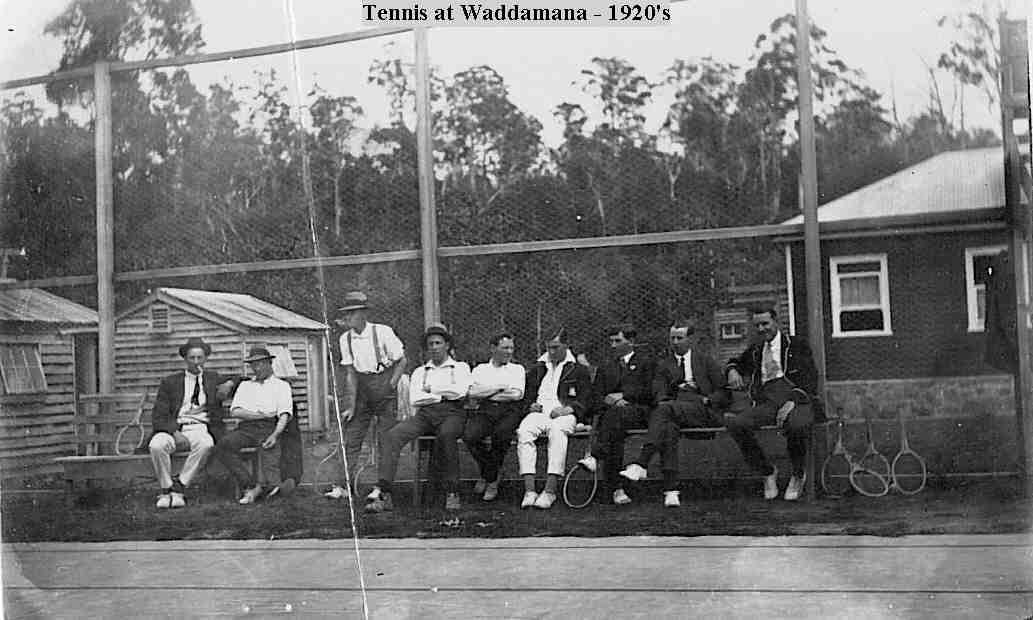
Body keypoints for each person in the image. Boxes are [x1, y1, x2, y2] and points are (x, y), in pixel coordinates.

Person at [618, 319, 728, 507]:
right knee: (667, 428)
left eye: (680, 338)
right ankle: (671, 491)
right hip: (673, 410)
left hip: (701, 412)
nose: (675, 342)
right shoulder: (664, 364)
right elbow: (658, 392)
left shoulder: (705, 360)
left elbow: (723, 392)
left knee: (664, 411)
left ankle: (642, 463)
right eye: (672, 338)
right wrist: (670, 394)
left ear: (691, 339)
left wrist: (707, 399)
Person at [365, 324, 472, 512]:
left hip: (452, 413)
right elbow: (416, 398)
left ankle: (452, 492)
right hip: (425, 414)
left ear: (447, 345)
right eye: (430, 344)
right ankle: (384, 492)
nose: (434, 347)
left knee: (446, 436)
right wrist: (442, 394)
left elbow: (460, 392)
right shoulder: (420, 372)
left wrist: (432, 392)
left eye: (438, 343)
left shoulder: (460, 367)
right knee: (393, 436)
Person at [724, 305, 818, 501]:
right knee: (736, 423)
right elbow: (735, 362)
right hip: (768, 401)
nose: (761, 329)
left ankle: (798, 474)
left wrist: (793, 400)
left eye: (765, 323)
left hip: (797, 399)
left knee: (795, 424)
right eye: (757, 325)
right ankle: (767, 471)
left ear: (777, 322)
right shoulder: (756, 350)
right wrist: (732, 370)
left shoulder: (796, 345)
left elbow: (810, 378)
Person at [325, 291, 407, 500]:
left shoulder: (382, 332)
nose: (347, 318)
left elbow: (402, 361)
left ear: (362, 314)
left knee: (386, 439)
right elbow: (351, 373)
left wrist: (390, 386)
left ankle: (382, 487)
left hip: (385, 383)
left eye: (351, 313)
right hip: (363, 389)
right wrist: (351, 405)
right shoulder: (345, 339)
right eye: (346, 313)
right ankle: (342, 485)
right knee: (351, 436)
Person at [148, 337, 232, 509]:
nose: (195, 362)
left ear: (205, 359)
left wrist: (229, 384)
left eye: (199, 358)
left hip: (200, 428)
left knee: (207, 444)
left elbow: (241, 378)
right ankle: (165, 489)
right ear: (185, 359)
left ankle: (180, 487)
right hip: (175, 428)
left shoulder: (212, 379)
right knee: (156, 445)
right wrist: (174, 432)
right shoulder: (171, 382)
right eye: (191, 358)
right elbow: (158, 415)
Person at [575, 324, 655, 506]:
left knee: (613, 421)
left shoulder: (646, 362)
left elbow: (650, 391)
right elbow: (596, 397)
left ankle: (595, 456)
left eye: (617, 341)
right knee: (614, 429)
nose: (613, 345)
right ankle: (617, 489)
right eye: (611, 341)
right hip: (614, 417)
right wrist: (608, 401)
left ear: (631, 341)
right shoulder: (607, 367)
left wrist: (624, 396)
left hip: (639, 413)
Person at [515, 327, 592, 510]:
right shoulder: (538, 368)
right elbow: (526, 396)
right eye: (548, 347)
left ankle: (550, 490)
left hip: (565, 415)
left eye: (556, 347)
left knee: (557, 432)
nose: (551, 352)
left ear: (566, 346)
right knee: (524, 430)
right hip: (540, 414)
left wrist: (568, 409)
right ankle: (530, 490)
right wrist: (530, 406)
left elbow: (587, 399)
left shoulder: (578, 370)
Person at [213, 347, 294, 505]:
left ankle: (273, 487)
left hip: (269, 428)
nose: (257, 368)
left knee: (269, 452)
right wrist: (260, 415)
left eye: (261, 364)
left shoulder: (281, 385)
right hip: (246, 428)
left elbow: (284, 414)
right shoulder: (245, 386)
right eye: (254, 365)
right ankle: (250, 485)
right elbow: (236, 412)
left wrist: (275, 434)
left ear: (270, 363)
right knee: (223, 446)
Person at [463, 333, 526, 501]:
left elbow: (516, 395)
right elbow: (472, 393)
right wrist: (499, 388)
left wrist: (487, 392)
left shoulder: (517, 369)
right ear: (493, 348)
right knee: (470, 436)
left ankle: (489, 480)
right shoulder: (480, 369)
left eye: (511, 348)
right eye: (505, 347)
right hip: (486, 410)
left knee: (502, 435)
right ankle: (492, 474)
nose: (509, 352)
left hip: (509, 411)